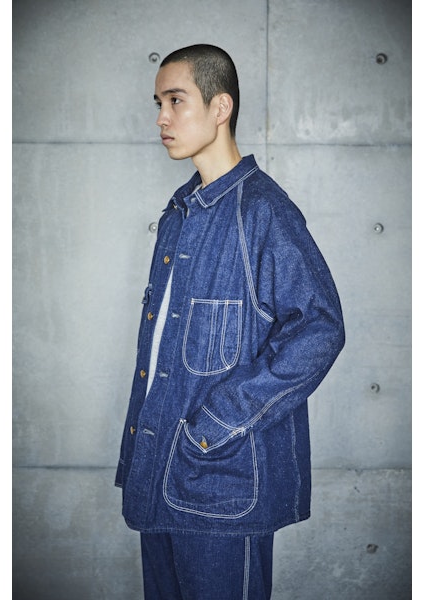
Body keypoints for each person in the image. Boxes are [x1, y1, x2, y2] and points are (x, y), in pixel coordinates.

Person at [115, 44, 345, 600]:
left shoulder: (261, 210)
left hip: (222, 485)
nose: (161, 118)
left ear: (220, 107)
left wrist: (217, 423)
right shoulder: (179, 213)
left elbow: (319, 327)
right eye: (158, 103)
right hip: (158, 474)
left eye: (175, 101)